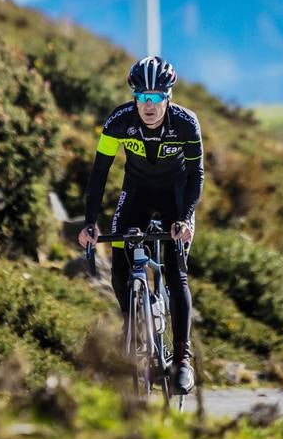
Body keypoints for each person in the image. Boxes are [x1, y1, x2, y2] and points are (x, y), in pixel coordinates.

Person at [78, 55, 204, 393]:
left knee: (177, 274)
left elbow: (196, 176)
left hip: (175, 199)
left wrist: (186, 217)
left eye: (156, 97)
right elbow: (99, 173)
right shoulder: (119, 121)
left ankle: (181, 358)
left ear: (168, 97)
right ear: (135, 97)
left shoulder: (186, 124)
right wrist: (90, 223)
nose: (149, 105)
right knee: (119, 262)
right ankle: (130, 325)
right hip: (136, 194)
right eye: (143, 97)